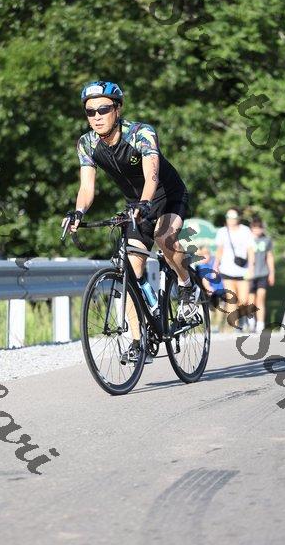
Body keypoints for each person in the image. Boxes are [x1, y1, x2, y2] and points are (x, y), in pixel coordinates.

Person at [61, 80, 199, 362]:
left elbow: (152, 176)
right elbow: (87, 187)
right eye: (90, 112)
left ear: (118, 109)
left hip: (166, 195)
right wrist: (78, 212)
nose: (97, 116)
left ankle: (187, 286)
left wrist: (146, 203)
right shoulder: (87, 143)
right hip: (136, 205)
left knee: (164, 237)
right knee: (129, 270)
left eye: (103, 109)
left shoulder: (140, 133)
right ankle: (138, 341)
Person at [213, 208, 255, 331]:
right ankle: (233, 326)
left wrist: (251, 267)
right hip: (227, 269)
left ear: (238, 218)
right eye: (229, 217)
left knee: (243, 299)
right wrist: (215, 266)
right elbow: (219, 250)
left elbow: (250, 249)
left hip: (242, 270)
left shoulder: (245, 230)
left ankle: (240, 318)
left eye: (233, 217)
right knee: (231, 298)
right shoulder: (222, 232)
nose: (231, 220)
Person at [248, 218, 275, 332]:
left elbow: (269, 257)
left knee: (261, 299)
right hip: (250, 275)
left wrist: (272, 273)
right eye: (254, 228)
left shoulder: (267, 240)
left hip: (263, 273)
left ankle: (260, 324)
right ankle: (250, 322)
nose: (257, 230)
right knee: (250, 300)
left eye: (259, 228)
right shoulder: (247, 240)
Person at [195, 245, 226, 332]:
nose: (203, 257)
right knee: (211, 308)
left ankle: (218, 326)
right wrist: (208, 287)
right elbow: (204, 279)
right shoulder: (201, 266)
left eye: (206, 254)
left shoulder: (214, 263)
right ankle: (210, 326)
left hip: (220, 290)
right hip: (211, 292)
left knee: (221, 307)